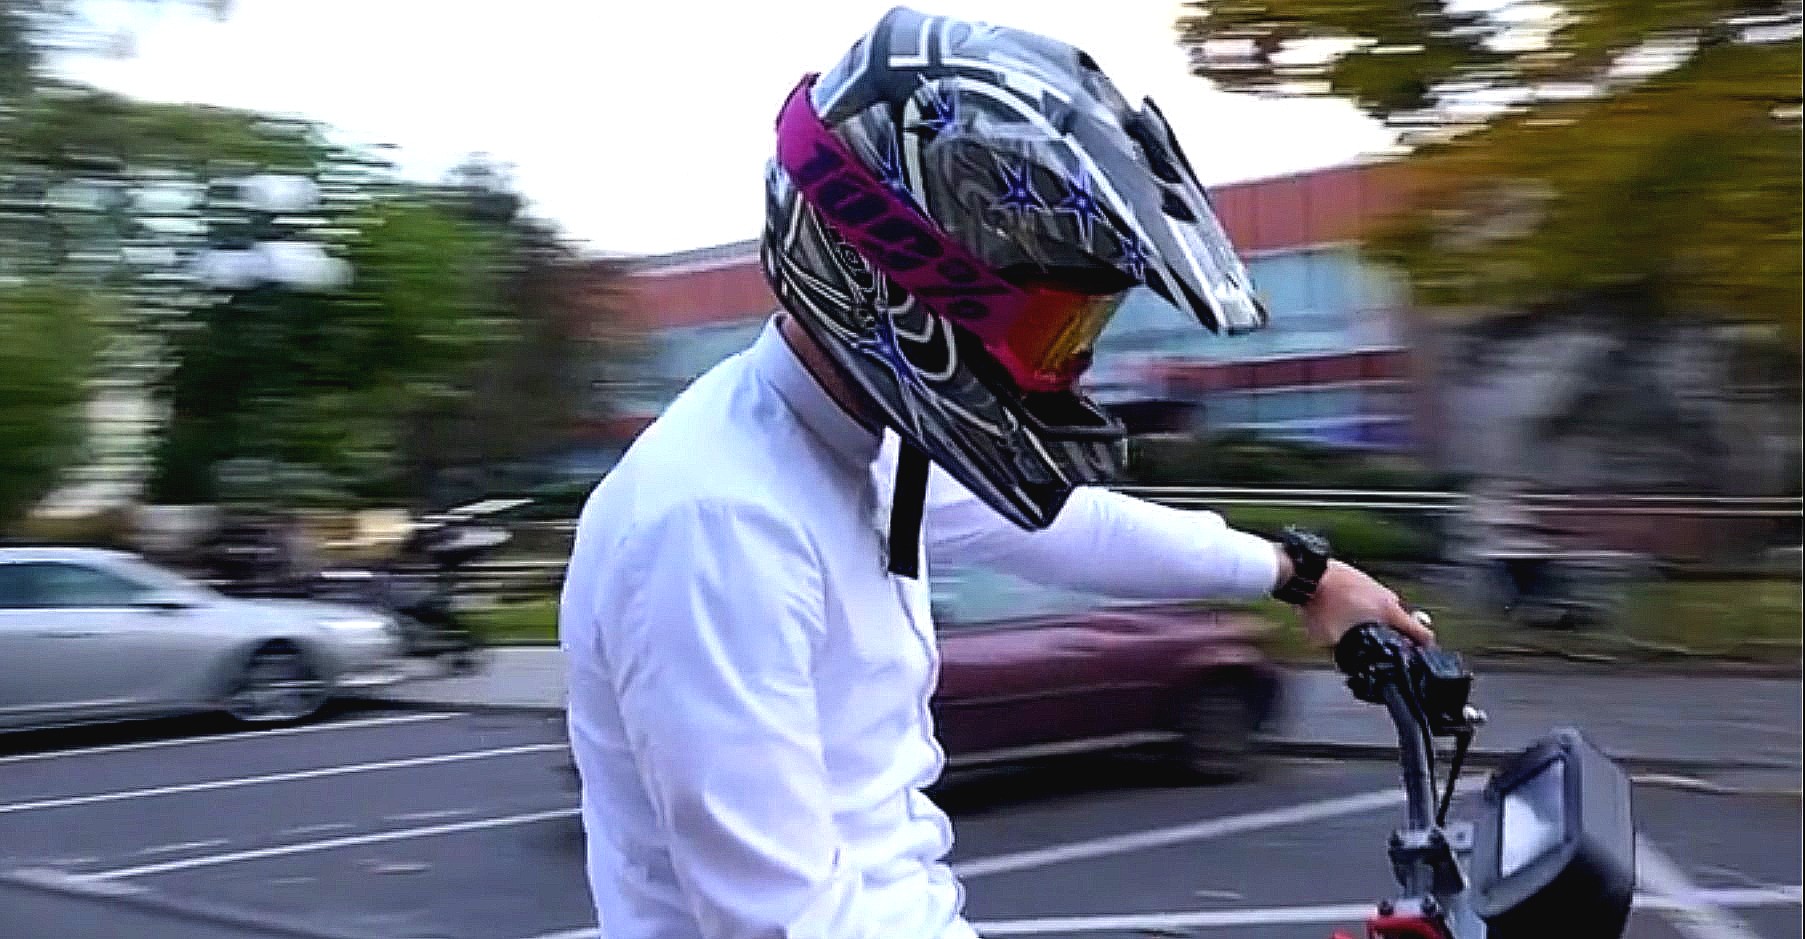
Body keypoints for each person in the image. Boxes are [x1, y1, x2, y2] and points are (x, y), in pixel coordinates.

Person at [559, 9, 1434, 938]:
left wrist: (1301, 573)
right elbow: (778, 920)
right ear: (901, 282)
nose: (1074, 369)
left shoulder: (858, 443)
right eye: (1052, 331)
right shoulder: (716, 522)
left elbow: (1066, 524)